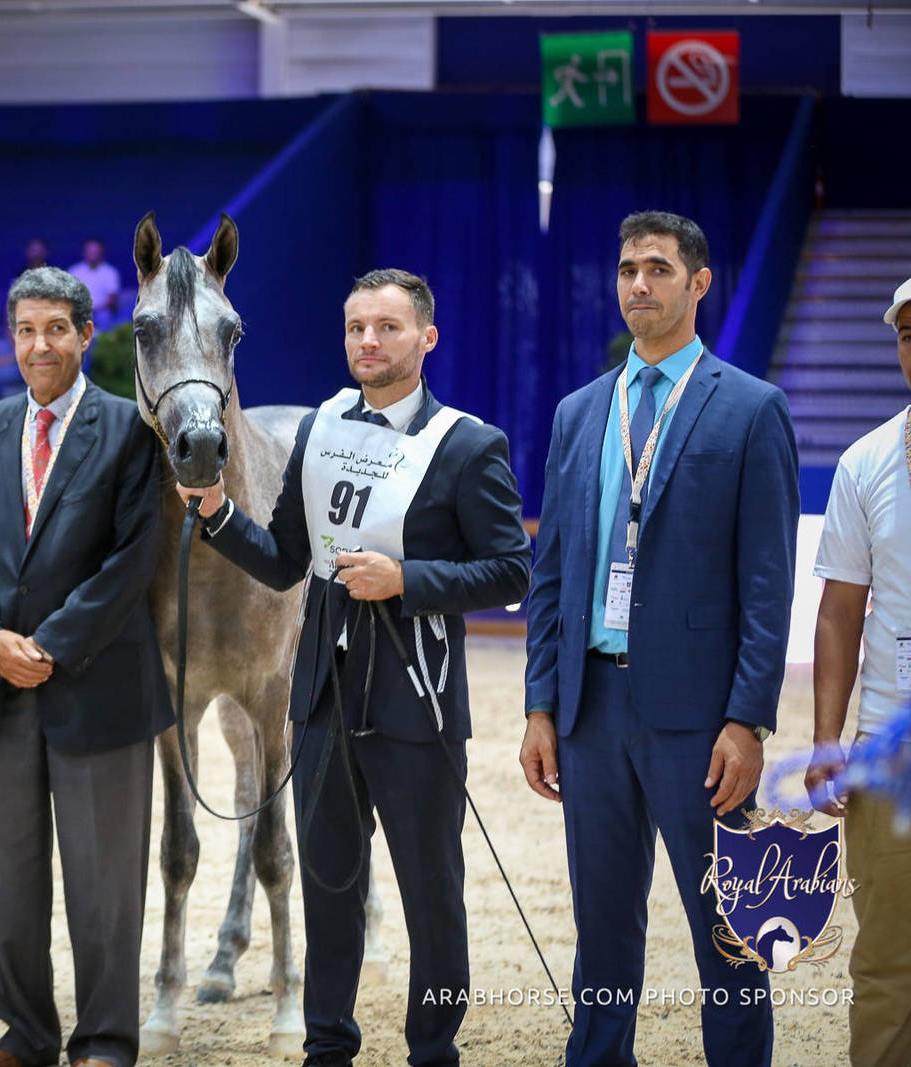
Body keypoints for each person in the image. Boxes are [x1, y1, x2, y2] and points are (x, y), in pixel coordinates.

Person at [178, 269, 530, 1067]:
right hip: (325, 696)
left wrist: (413, 580)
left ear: (426, 339)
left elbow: (513, 570)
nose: (368, 342)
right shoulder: (323, 427)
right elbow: (283, 559)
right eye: (356, 327)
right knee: (329, 887)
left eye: (388, 327)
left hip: (417, 699)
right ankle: (327, 1046)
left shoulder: (470, 445)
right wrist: (216, 514)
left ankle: (433, 1049)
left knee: (431, 892)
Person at [521, 211, 799, 1067]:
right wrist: (540, 704)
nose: (638, 284)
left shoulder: (751, 408)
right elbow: (553, 571)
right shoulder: (577, 413)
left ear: (698, 282)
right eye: (628, 268)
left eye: (658, 269)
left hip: (700, 717)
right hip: (589, 709)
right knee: (601, 927)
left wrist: (748, 719)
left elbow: (768, 581)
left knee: (729, 931)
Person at [0, 267, 170, 1067]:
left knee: (104, 885)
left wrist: (46, 644)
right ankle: (24, 1034)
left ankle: (106, 1040)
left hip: (98, 684)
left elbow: (130, 560)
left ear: (84, 333)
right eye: (25, 330)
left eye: (55, 328)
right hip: (4, 689)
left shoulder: (127, 429)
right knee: (9, 880)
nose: (39, 344)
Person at [805, 276, 911, 1067]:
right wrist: (825, 739)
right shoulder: (867, 461)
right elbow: (840, 612)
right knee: (887, 963)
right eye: (908, 335)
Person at [66, 239, 121, 328]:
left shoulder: (110, 272)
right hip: (80, 312)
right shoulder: (74, 271)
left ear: (101, 253)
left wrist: (94, 310)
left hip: (102, 312)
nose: (93, 254)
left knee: (105, 316)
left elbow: (112, 298)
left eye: (96, 252)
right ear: (84, 252)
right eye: (90, 251)